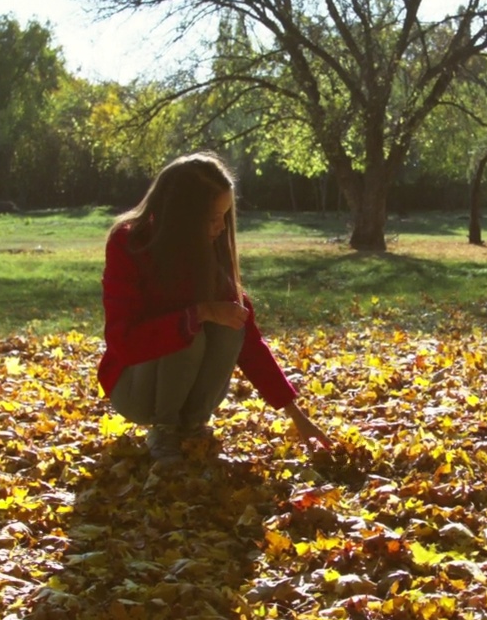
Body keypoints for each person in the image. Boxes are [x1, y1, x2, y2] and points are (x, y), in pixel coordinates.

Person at [97, 152, 332, 465]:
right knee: (188, 330)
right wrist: (197, 314)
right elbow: (122, 342)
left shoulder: (209, 249)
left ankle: (193, 427)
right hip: (136, 388)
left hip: (188, 389)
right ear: (180, 216)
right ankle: (164, 431)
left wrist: (298, 418)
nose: (221, 227)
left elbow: (249, 342)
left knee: (230, 323)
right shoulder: (129, 243)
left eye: (225, 215)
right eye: (212, 218)